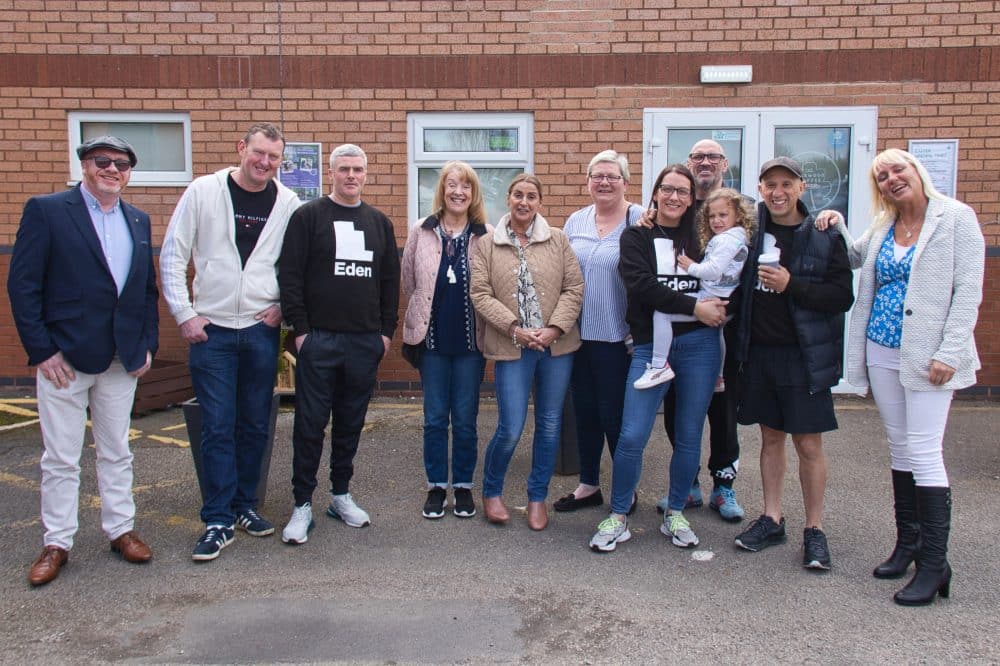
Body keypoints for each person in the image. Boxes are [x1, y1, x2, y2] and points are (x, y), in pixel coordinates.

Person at [819, 148, 983, 604]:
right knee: (900, 446)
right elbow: (854, 258)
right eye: (882, 175)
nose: (892, 179)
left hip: (930, 354)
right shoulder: (886, 223)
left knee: (926, 449)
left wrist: (950, 350)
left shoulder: (955, 217)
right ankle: (908, 544)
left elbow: (969, 289)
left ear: (917, 171)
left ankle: (934, 563)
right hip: (881, 348)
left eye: (898, 169)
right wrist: (836, 221)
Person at [9, 136, 158, 585]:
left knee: (117, 450)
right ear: (85, 165)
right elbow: (23, 286)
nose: (113, 169)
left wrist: (147, 344)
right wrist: (42, 350)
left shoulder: (138, 219)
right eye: (103, 161)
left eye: (123, 164)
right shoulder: (48, 210)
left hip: (120, 358)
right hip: (65, 358)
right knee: (61, 456)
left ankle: (120, 529)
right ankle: (57, 542)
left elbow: (143, 291)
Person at [161, 122, 301, 561]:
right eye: (258, 153)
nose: (264, 163)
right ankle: (217, 518)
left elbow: (294, 266)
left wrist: (281, 306)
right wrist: (185, 314)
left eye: (273, 157)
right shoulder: (203, 191)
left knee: (256, 424)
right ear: (242, 149)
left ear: (281, 162)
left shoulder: (289, 203)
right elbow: (172, 254)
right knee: (218, 426)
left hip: (260, 330)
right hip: (213, 331)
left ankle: (245, 506)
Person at [589, 164, 727, 553]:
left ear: (692, 197)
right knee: (632, 435)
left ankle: (676, 512)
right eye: (667, 189)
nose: (674, 197)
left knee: (688, 435)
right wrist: (696, 307)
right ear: (654, 192)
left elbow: (731, 262)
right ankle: (618, 515)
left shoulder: (705, 234)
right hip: (651, 347)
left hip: (699, 346)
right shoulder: (637, 235)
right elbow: (642, 285)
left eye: (683, 191)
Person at [731, 157, 854, 571]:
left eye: (786, 183)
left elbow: (841, 297)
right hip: (760, 354)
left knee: (808, 443)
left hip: (803, 357)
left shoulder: (823, 233)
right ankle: (771, 517)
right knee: (770, 438)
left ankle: (815, 529)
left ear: (801, 187)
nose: (777, 191)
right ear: (761, 189)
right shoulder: (749, 231)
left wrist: (791, 286)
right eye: (770, 185)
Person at [278, 144, 400, 545]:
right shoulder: (308, 217)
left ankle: (341, 494)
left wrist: (385, 333)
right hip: (319, 340)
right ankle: (301, 504)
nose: (351, 176)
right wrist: (301, 331)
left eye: (358, 169)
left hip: (364, 341)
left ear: (367, 174)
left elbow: (389, 282)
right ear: (331, 172)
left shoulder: (379, 222)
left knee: (350, 423)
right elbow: (291, 276)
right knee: (310, 425)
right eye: (344, 169)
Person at [470, 174, 584, 531]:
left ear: (539, 202)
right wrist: (515, 328)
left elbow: (574, 287)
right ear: (508, 198)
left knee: (549, 426)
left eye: (531, 196)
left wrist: (552, 330)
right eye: (518, 194)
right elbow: (480, 293)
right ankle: (492, 492)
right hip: (512, 345)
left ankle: (537, 498)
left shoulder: (558, 240)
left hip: (556, 347)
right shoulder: (488, 244)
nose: (524, 201)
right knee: (510, 428)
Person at [657, 140, 747, 522]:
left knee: (723, 411)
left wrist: (729, 310)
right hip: (684, 328)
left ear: (724, 164)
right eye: (698, 157)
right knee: (678, 409)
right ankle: (687, 482)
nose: (705, 162)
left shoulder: (741, 216)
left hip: (726, 326)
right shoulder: (681, 211)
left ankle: (723, 485)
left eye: (712, 157)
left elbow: (750, 270)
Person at [555, 150, 646, 514]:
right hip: (578, 337)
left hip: (618, 339)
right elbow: (558, 269)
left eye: (612, 176)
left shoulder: (639, 218)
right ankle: (589, 485)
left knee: (616, 418)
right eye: (598, 176)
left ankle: (627, 489)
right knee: (586, 414)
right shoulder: (576, 220)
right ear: (588, 181)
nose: (604, 182)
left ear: (625, 182)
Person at [401, 161, 490, 520]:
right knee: (435, 418)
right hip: (432, 342)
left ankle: (464, 487)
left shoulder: (486, 234)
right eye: (452, 185)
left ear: (473, 193)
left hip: (471, 343)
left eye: (465, 186)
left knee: (466, 420)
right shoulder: (420, 231)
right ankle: (437, 485)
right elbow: (409, 281)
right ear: (442, 190)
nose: (458, 192)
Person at [636, 188, 753, 391]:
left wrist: (690, 266)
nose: (716, 220)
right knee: (719, 333)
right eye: (712, 216)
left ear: (738, 215)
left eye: (723, 215)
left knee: (662, 312)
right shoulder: (738, 237)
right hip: (722, 297)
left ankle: (658, 365)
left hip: (710, 297)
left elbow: (713, 270)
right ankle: (719, 377)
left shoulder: (726, 240)